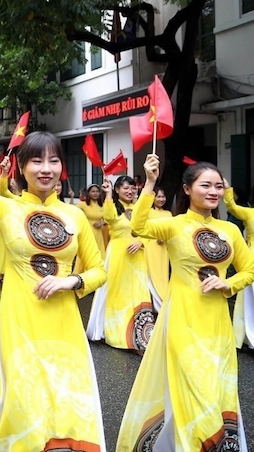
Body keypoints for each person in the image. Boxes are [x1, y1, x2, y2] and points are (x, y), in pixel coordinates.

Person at [0, 76, 108, 450]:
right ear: (21, 167)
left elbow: (98, 270)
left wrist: (70, 282)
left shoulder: (74, 217)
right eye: (36, 160)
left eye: (54, 160)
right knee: (24, 403)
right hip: (20, 323)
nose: (46, 168)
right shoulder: (5, 208)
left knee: (66, 402)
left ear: (62, 167)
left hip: (64, 326)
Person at [117, 155, 254, 450]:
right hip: (182, 321)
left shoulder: (229, 231)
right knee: (195, 390)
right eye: (206, 185)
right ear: (188, 189)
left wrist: (228, 283)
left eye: (218, 186)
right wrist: (150, 183)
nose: (214, 192)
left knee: (217, 390)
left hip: (218, 326)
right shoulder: (174, 225)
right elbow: (138, 227)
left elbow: (250, 268)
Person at [86, 175, 156, 353]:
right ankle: (117, 335)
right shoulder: (113, 208)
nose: (130, 191)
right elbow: (108, 218)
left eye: (133, 188)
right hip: (118, 255)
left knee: (140, 293)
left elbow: (149, 230)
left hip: (138, 256)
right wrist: (107, 194)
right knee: (117, 293)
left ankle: (141, 337)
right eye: (126, 188)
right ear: (117, 190)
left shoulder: (139, 208)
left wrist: (141, 242)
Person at [222, 180, 254, 348]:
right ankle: (248, 338)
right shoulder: (249, 213)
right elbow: (232, 206)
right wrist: (227, 189)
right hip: (252, 260)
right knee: (249, 300)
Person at [145, 188, 172, 309]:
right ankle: (153, 304)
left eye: (163, 197)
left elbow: (171, 231)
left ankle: (163, 302)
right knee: (151, 273)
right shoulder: (148, 212)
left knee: (163, 273)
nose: (161, 199)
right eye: (158, 197)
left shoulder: (168, 214)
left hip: (163, 248)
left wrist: (165, 238)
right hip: (150, 246)